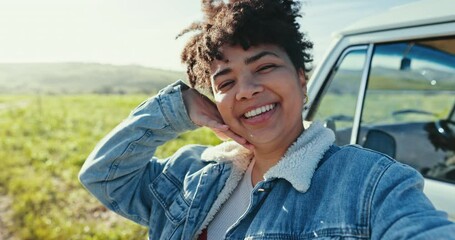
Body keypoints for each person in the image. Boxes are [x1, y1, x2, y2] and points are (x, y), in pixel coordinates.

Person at [79, 0, 455, 239]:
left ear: (301, 80)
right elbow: (103, 176)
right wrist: (178, 107)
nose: (246, 90)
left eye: (266, 66)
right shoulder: (192, 173)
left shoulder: (370, 185)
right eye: (225, 82)